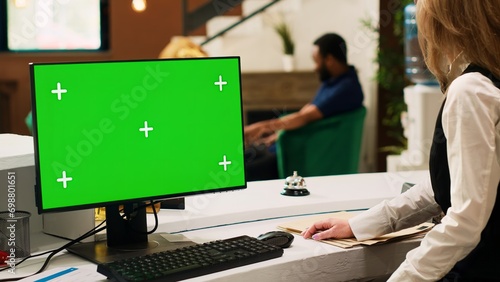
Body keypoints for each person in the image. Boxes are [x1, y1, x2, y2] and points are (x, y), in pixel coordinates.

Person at [302, 0, 500, 280]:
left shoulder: (471, 90)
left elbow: (465, 223)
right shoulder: (488, 83)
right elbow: (450, 182)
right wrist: (361, 225)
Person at [244, 33, 364, 181]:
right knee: (246, 156)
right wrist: (276, 136)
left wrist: (261, 127)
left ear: (330, 60)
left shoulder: (345, 89)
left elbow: (304, 118)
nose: (314, 68)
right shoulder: (333, 81)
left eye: (316, 62)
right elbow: (307, 110)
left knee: (246, 171)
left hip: (305, 153)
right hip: (293, 145)